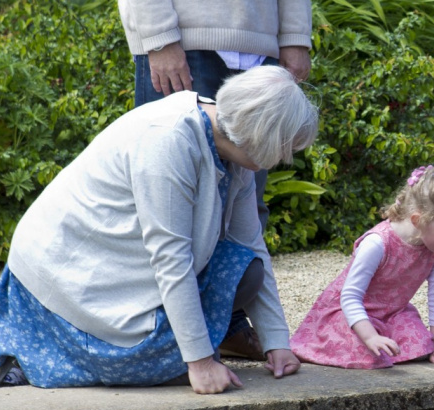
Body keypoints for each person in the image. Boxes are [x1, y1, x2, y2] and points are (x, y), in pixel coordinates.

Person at [0, 66, 319, 394]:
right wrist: (200, 362)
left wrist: (276, 342)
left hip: (120, 267)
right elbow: (171, 259)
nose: (287, 156)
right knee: (173, 367)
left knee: (248, 271)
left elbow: (250, 244)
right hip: (66, 276)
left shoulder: (235, 148)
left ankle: (190, 346)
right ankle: (26, 359)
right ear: (263, 137)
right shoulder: (168, 140)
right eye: (287, 146)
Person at [117, 0, 313, 360]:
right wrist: (158, 36)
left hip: (261, 43)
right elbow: (164, 243)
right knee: (159, 215)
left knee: (246, 206)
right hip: (184, 41)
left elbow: (249, 237)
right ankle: (147, 335)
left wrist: (296, 35)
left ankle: (222, 327)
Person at [290, 166, 434, 369]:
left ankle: (385, 340)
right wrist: (370, 337)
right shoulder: (377, 244)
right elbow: (350, 297)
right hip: (350, 314)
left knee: (423, 344)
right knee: (368, 352)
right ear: (418, 220)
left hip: (392, 313)